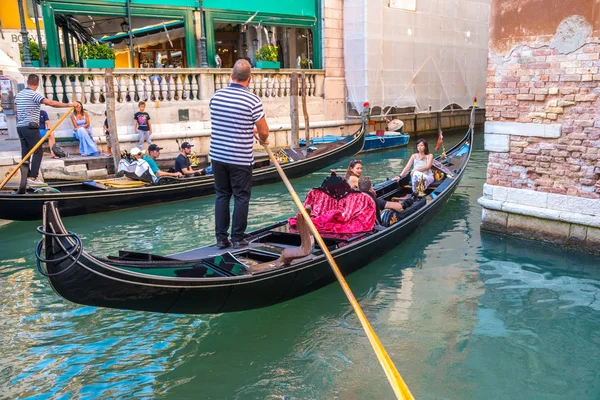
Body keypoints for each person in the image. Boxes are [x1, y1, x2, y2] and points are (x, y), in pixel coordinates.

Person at [209, 59, 269, 249]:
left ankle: (220, 239)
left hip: (217, 156)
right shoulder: (253, 100)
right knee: (241, 197)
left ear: (231, 76)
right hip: (239, 158)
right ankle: (237, 239)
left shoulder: (216, 96)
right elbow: (264, 131)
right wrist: (261, 137)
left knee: (222, 196)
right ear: (249, 79)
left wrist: (245, 128)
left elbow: (226, 121)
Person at [14, 74, 71, 184]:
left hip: (20, 127)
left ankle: (26, 177)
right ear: (38, 83)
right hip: (31, 127)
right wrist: (68, 105)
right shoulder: (34, 95)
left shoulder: (19, 95)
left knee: (25, 153)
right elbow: (51, 103)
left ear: (27, 82)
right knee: (38, 151)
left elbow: (16, 110)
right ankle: (33, 177)